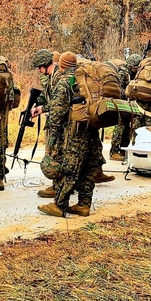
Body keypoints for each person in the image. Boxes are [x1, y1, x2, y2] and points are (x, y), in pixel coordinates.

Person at [38, 52, 100, 217]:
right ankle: (84, 205)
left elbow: (58, 113)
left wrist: (52, 141)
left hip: (74, 133)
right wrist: (44, 108)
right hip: (91, 129)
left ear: (61, 65)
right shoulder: (85, 79)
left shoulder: (64, 82)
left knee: (68, 169)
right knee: (88, 168)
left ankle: (59, 205)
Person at [31, 48, 61, 199]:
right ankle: (60, 186)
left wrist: (43, 108)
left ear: (44, 64)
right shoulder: (51, 77)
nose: (38, 70)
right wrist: (38, 106)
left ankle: (59, 187)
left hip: (62, 122)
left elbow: (59, 103)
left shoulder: (58, 77)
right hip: (56, 120)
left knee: (56, 154)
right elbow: (46, 95)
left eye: (39, 67)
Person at [108, 54, 137, 161]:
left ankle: (123, 150)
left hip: (128, 105)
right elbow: (117, 90)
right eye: (135, 68)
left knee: (127, 128)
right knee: (120, 128)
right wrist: (128, 93)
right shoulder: (122, 73)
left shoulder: (131, 74)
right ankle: (114, 151)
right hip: (121, 104)